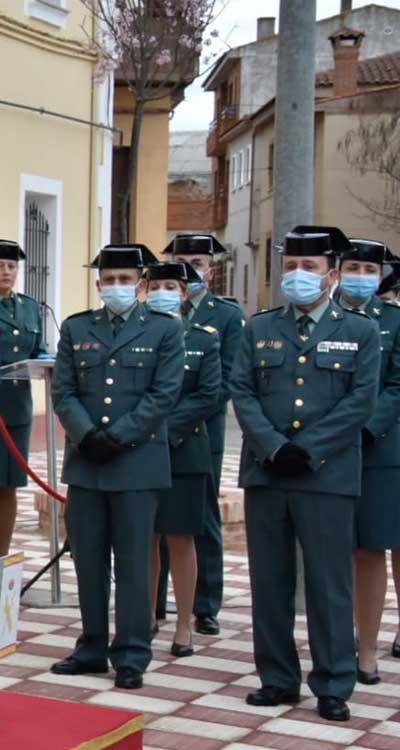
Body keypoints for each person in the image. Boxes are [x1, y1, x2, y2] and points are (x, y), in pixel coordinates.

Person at [231, 227, 379, 722]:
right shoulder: (259, 328)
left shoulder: (361, 331)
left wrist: (308, 449)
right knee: (269, 580)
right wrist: (274, 447)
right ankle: (277, 678)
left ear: (332, 275)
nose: (298, 275)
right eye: (291, 266)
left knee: (328, 582)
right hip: (267, 472)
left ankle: (334, 682)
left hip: (327, 475)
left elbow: (360, 400)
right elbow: (243, 391)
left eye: (309, 267)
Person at [48, 244, 183, 690]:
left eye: (126, 280)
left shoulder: (165, 330)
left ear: (142, 285)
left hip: (137, 463)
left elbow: (163, 395)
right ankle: (90, 647)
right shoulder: (76, 327)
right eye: (110, 280)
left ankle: (131, 653)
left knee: (131, 561)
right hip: (87, 463)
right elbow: (63, 391)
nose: (117, 287)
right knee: (88, 560)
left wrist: (119, 436)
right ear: (98, 284)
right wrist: (87, 435)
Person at [162, 234, 245, 637]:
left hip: (202, 433)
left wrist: (176, 422)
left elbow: (227, 379)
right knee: (158, 517)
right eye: (182, 260)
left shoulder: (226, 315)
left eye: (197, 261)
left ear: (211, 270)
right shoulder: (158, 306)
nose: (190, 268)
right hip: (153, 432)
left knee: (201, 520)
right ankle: (157, 600)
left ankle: (205, 604)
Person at [329, 236, 400, 685]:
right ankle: (336, 638)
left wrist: (363, 426)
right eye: (351, 268)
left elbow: (397, 384)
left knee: (372, 546)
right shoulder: (319, 316)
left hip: (379, 447)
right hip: (326, 449)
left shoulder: (393, 320)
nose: (359, 277)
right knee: (334, 549)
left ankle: (368, 649)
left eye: (368, 270)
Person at [142, 261, 221, 660]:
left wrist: (162, 428)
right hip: (140, 452)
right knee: (147, 537)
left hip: (185, 450)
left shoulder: (203, 338)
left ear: (184, 293)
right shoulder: (135, 335)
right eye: (155, 285)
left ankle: (185, 623)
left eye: (170, 286)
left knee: (181, 538)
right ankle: (146, 619)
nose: (162, 292)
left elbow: (208, 396)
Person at [0, 238, 44, 562]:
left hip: (17, 407)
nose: (7, 272)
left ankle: (2, 553)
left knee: (10, 485)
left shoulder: (29, 307)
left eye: (12, 267)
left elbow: (36, 350)